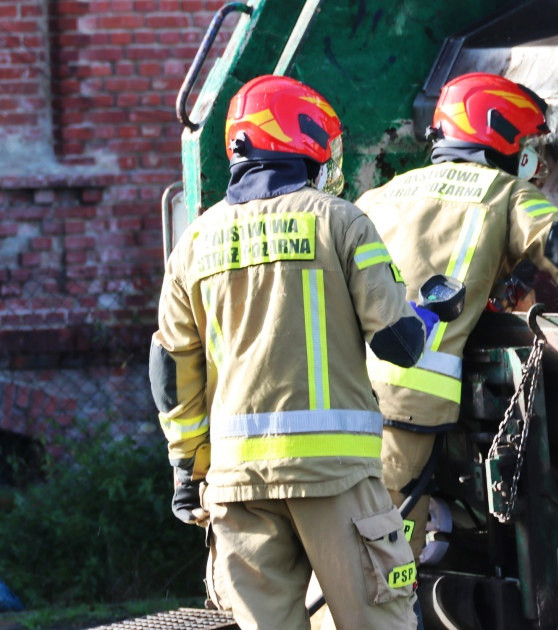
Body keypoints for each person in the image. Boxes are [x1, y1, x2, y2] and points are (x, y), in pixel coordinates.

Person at [150, 75, 425, 630]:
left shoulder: (194, 244)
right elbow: (399, 343)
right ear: (302, 141)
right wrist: (427, 313)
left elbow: (172, 370)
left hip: (236, 486)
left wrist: (188, 468)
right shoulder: (340, 221)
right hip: (336, 480)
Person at [356, 72, 558, 561]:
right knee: (384, 558)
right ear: (501, 133)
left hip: (341, 394)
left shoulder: (378, 196)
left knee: (343, 530)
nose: (535, 162)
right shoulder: (503, 193)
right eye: (530, 145)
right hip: (407, 403)